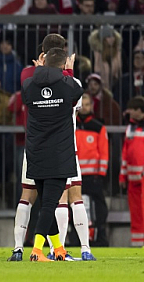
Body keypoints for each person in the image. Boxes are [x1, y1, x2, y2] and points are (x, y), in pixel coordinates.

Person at [9, 34, 68, 260]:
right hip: (59, 147)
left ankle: (22, 248)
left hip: (32, 145)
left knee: (31, 198)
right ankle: (41, 249)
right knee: (58, 200)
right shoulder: (66, 80)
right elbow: (72, 93)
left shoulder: (27, 75)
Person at [21, 48, 83, 262]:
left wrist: (40, 72)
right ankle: (37, 250)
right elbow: (76, 92)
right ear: (64, 63)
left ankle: (59, 249)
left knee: (46, 202)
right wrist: (68, 71)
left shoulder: (28, 85)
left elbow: (29, 91)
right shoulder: (68, 85)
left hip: (36, 154)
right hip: (59, 155)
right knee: (49, 205)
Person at [76, 93, 109, 248]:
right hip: (74, 175)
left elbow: (104, 152)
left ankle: (99, 239)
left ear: (92, 106)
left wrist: (101, 174)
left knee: (98, 210)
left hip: (93, 176)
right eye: (82, 104)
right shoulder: (70, 125)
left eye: (87, 104)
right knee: (74, 208)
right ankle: (75, 240)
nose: (84, 107)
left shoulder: (98, 127)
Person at [121, 96, 144, 246]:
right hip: (132, 178)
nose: (130, 112)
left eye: (133, 110)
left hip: (142, 176)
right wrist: (123, 176)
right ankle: (137, 244)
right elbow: (125, 153)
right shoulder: (130, 128)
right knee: (136, 214)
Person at [88, 25, 122, 91]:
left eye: (113, 36)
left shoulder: (118, 52)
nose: (112, 39)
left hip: (116, 85)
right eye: (109, 37)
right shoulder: (95, 54)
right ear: (103, 39)